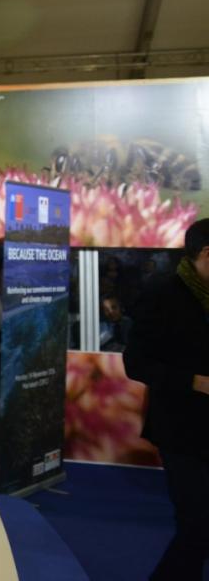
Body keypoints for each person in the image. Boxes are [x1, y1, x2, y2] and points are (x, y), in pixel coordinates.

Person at [124, 218, 209, 580]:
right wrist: (193, 381)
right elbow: (136, 362)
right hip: (182, 430)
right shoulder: (163, 292)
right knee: (196, 527)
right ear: (206, 253)